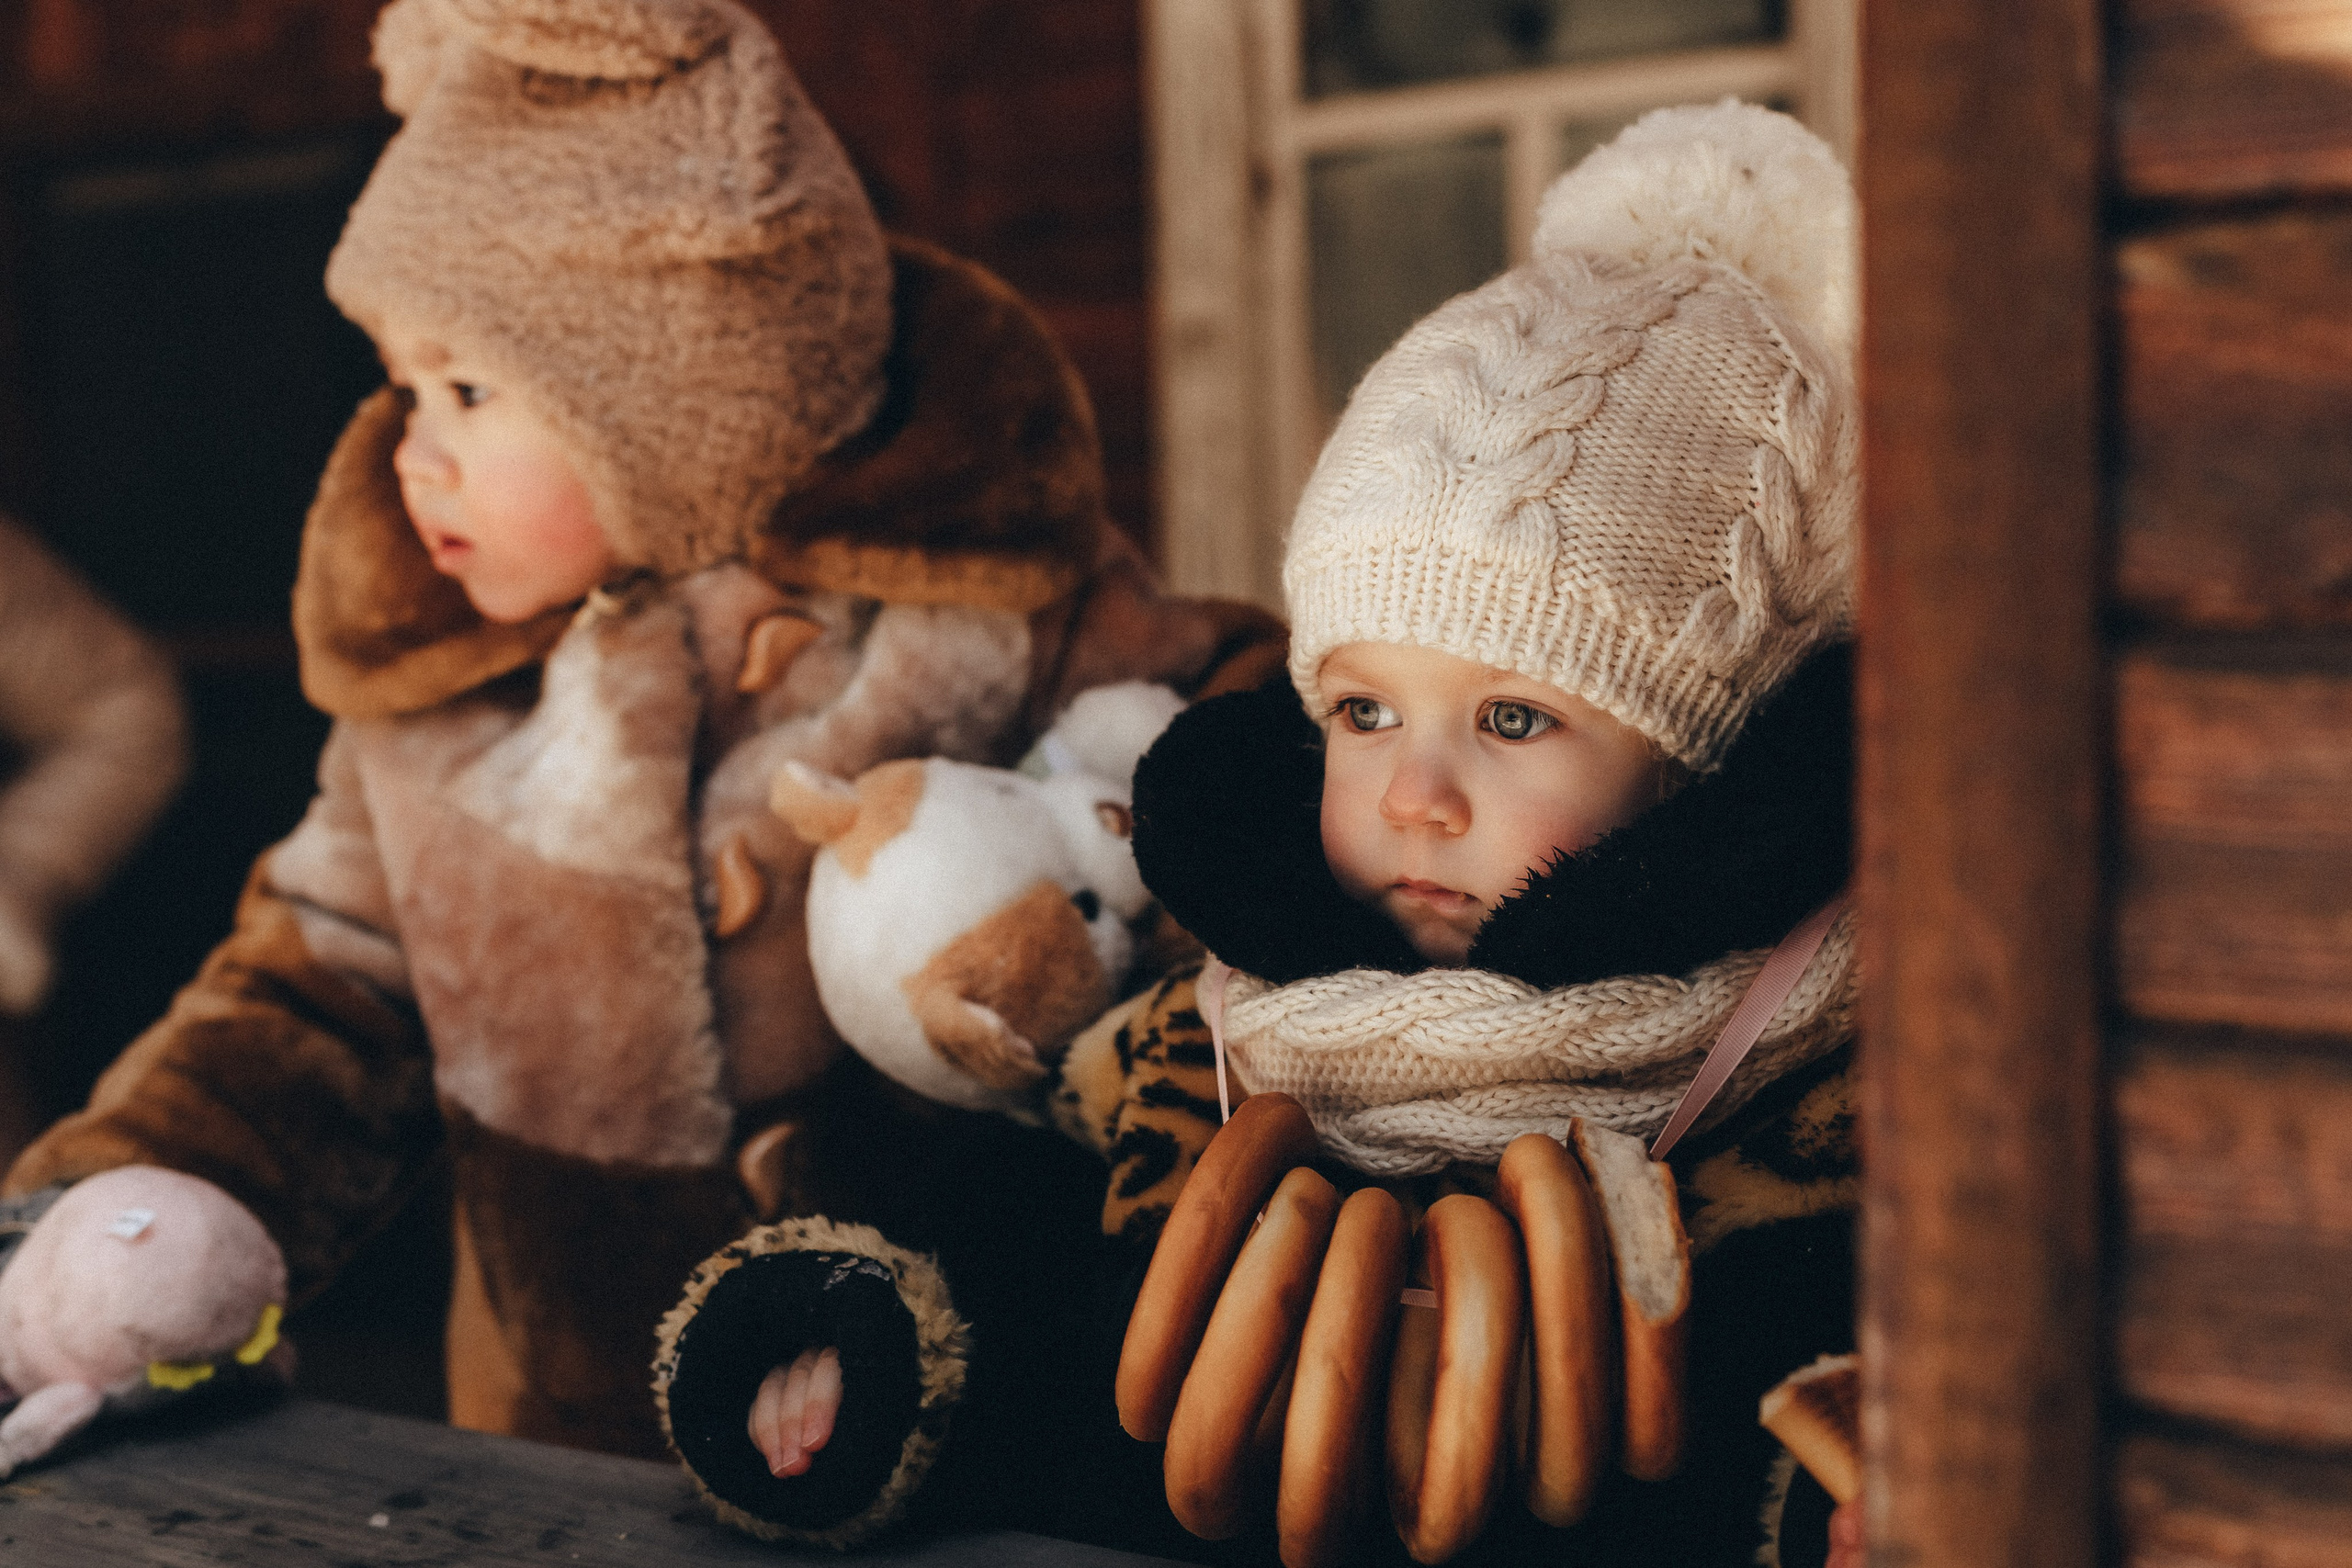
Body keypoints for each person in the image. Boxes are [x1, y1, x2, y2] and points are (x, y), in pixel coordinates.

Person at [0, 0, 1277, 1528]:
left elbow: (1230, 773)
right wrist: (104, 1231)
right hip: (548, 1459)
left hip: (966, 1460)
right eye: (404, 386)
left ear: (687, 389)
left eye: (471, 391)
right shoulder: (436, 708)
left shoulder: (986, 608)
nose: (415, 450)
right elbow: (309, 996)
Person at [1110, 101, 1865, 1565]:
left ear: (1695, 776)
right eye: (1363, 712)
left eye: (1513, 721)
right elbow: (1028, 1248)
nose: (1414, 798)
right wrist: (869, 1343)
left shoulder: (1817, 1102)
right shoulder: (1217, 1031)